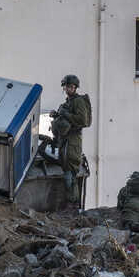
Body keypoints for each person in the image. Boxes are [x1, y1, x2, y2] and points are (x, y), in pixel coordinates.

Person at [51, 74, 92, 204]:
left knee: (70, 171)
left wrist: (65, 114)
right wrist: (57, 114)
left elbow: (83, 121)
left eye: (71, 87)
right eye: (67, 86)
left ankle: (73, 204)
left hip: (73, 140)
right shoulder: (68, 102)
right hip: (64, 139)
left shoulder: (78, 101)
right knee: (66, 168)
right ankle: (70, 203)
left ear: (75, 88)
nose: (68, 89)